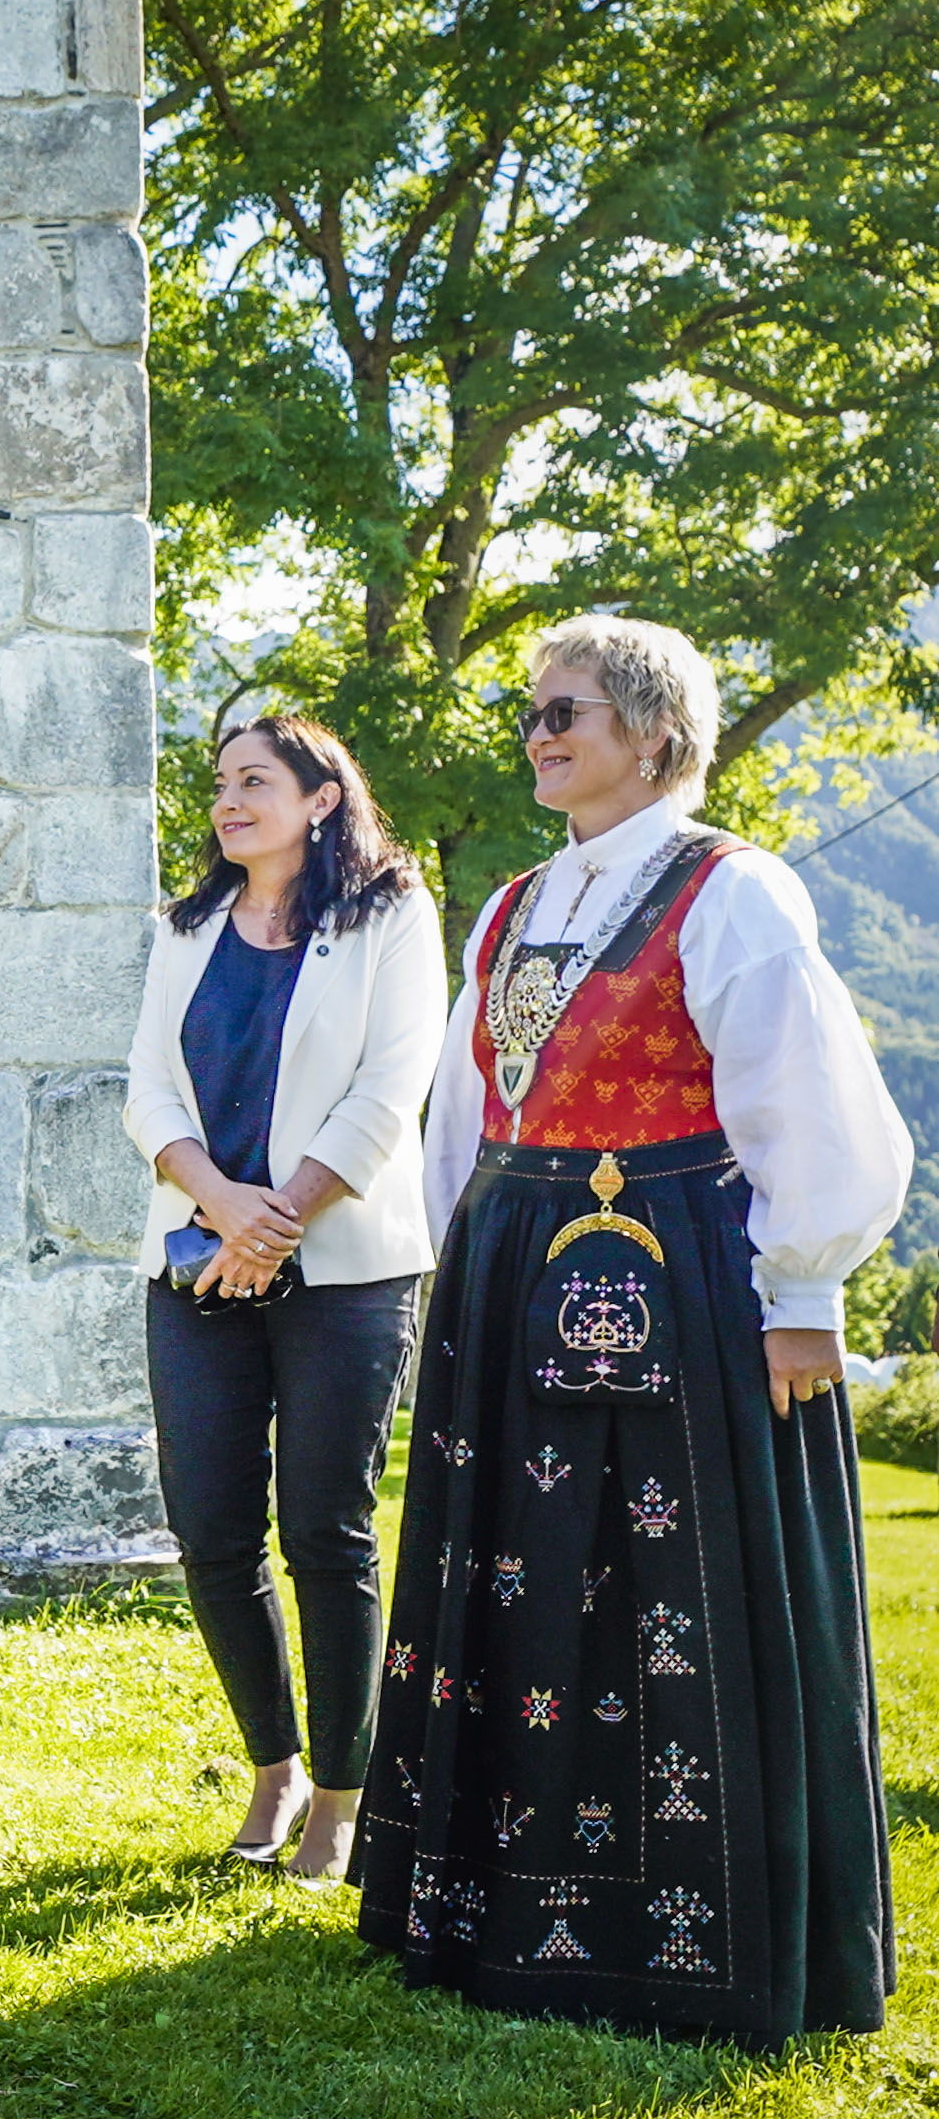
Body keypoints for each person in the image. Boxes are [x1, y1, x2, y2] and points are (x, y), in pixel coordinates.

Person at [354, 615, 909, 2043]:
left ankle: (678, 1942)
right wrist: (450, 1275)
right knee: (510, 1571)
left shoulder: (733, 891)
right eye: (531, 711)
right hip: (510, 1264)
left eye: (570, 710)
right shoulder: (512, 904)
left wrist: (801, 1297)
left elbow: (804, 1100)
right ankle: (478, 1911)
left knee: (674, 1580)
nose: (540, 732)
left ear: (655, 735)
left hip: (679, 1279)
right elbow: (467, 1118)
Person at [124, 717, 445, 1884]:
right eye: (220, 784)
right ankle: (275, 1763)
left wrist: (282, 1217)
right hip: (199, 1258)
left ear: (321, 798)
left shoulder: (392, 914)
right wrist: (222, 1206)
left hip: (348, 1268)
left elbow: (388, 1086)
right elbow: (149, 1089)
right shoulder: (186, 927)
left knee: (325, 1529)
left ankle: (346, 1795)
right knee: (211, 1529)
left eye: (255, 780)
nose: (228, 800)